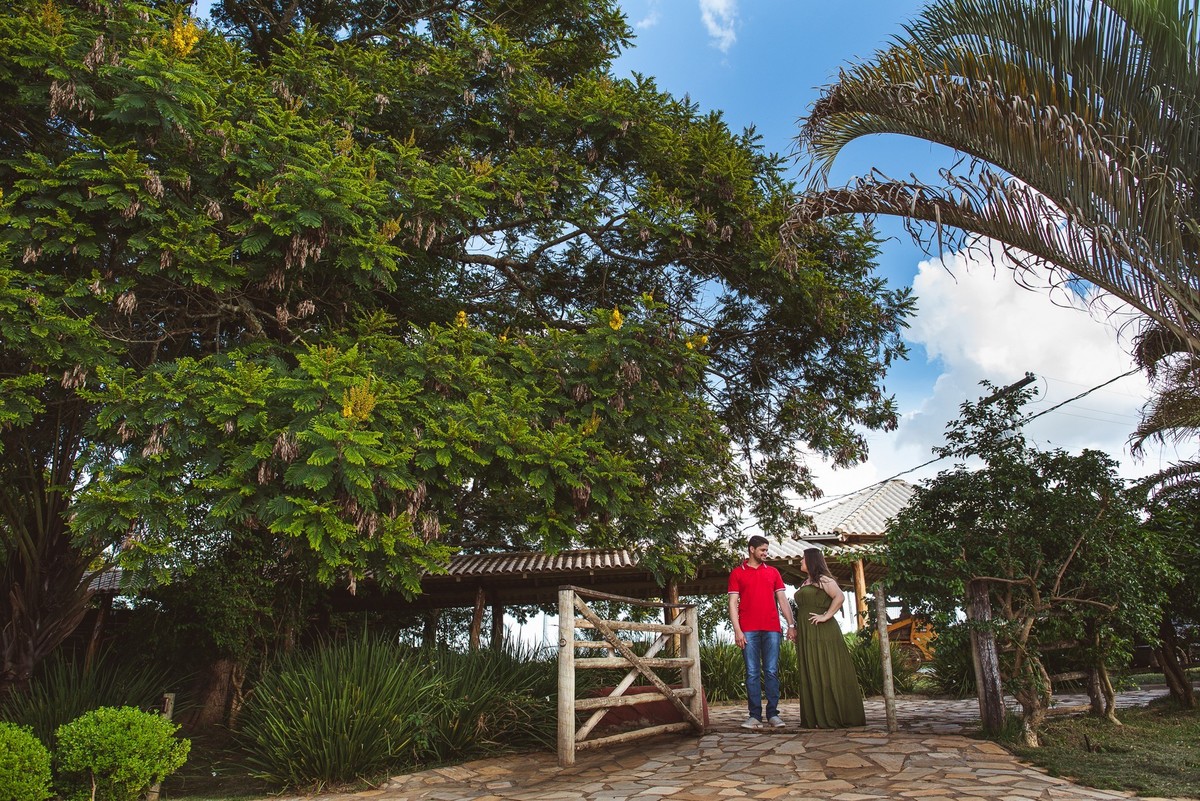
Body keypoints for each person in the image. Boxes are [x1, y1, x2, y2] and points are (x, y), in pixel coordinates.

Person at [728, 535, 797, 729]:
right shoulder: (737, 573)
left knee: (772, 671)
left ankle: (773, 714)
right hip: (748, 630)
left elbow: (783, 600)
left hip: (772, 629)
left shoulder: (773, 572)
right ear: (752, 549)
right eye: (762, 550)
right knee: (751, 673)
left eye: (767, 550)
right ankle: (754, 716)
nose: (766, 553)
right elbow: (732, 603)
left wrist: (791, 625)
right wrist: (737, 630)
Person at [793, 547, 866, 728]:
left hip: (823, 632)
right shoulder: (806, 582)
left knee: (826, 668)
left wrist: (826, 615)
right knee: (812, 670)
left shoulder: (823, 579)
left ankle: (833, 714)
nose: (800, 562)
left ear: (811, 561)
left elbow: (839, 597)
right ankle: (815, 716)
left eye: (803, 559)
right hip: (807, 633)